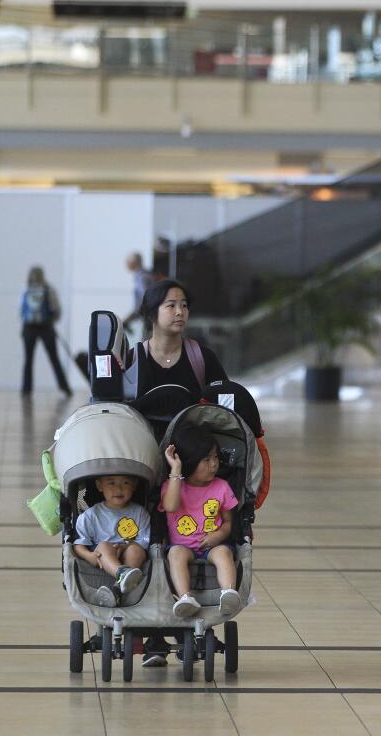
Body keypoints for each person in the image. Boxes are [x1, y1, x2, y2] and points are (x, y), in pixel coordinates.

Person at [132, 278, 229, 667]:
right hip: (141, 468)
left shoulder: (200, 357)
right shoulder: (132, 360)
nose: (179, 312)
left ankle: (192, 624)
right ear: (152, 313)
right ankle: (152, 637)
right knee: (152, 546)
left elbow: (225, 407)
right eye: (171, 305)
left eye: (184, 305)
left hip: (191, 477)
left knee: (188, 543)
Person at [161, 423, 241, 619]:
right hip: (182, 546)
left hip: (212, 546)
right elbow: (170, 506)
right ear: (189, 462)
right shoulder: (173, 486)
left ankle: (229, 593)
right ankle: (185, 598)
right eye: (206, 459)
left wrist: (218, 535)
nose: (214, 464)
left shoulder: (221, 487)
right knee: (175, 554)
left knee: (223, 553)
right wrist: (176, 469)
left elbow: (229, 522)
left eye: (215, 457)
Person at [72, 475, 150, 608]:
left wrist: (124, 547)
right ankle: (122, 573)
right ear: (99, 486)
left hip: (128, 554)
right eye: (111, 483)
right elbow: (78, 544)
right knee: (104, 546)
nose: (119, 489)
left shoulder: (140, 513)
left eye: (126, 483)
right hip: (102, 557)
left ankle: (117, 589)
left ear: (134, 486)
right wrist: (88, 556)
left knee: (136, 550)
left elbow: (144, 541)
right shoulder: (90, 515)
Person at [19, 266, 71, 397]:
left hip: (29, 327)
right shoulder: (49, 290)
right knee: (54, 358)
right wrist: (52, 321)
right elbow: (57, 309)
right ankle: (64, 388)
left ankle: (26, 389)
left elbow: (20, 311)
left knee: (28, 359)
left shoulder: (26, 289)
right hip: (46, 327)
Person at [123, 252, 156, 330]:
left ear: (133, 263)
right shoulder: (141, 275)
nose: (126, 265)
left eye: (127, 262)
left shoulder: (142, 276)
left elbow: (145, 298)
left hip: (147, 316)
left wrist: (128, 320)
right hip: (144, 315)